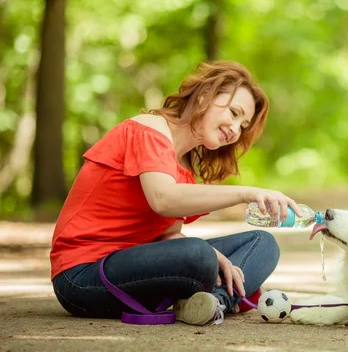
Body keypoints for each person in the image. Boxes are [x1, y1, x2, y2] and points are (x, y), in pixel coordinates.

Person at [50, 61, 303, 325]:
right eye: (234, 112)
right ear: (204, 96)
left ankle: (214, 303)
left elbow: (166, 236)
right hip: (82, 276)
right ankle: (221, 298)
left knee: (261, 243)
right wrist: (246, 194)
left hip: (138, 269)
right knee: (197, 254)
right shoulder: (149, 129)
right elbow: (163, 200)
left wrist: (217, 256)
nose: (236, 129)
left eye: (243, 125)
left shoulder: (183, 166)